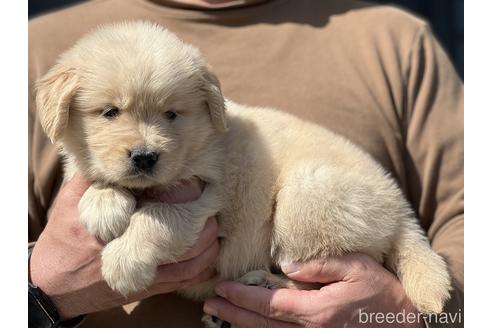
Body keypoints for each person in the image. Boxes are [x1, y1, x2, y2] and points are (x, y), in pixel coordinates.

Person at [28, 0, 464, 327]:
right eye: (109, 113)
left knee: (308, 198)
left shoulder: (392, 41)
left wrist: (404, 317)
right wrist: (40, 291)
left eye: (171, 116)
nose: (146, 143)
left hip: (315, 210)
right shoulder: (34, 47)